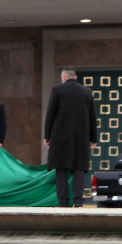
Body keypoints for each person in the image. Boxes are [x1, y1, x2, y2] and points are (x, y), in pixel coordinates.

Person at [44, 68, 97, 207]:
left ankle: (63, 202)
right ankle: (79, 202)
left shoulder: (57, 90)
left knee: (61, 169)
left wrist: (47, 136)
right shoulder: (87, 92)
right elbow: (92, 117)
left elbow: (50, 114)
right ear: (75, 77)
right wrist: (93, 138)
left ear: (63, 78)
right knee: (79, 169)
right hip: (81, 137)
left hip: (60, 137)